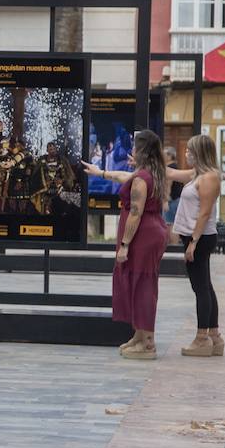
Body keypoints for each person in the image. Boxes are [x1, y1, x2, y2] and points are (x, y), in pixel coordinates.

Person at [83, 130, 169, 359]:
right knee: (138, 282)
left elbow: (135, 213)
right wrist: (100, 172)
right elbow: (124, 177)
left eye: (134, 146)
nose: (130, 149)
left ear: (141, 150)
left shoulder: (142, 179)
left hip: (143, 236)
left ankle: (148, 341)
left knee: (143, 285)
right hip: (150, 232)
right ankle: (139, 335)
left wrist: (124, 245)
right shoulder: (150, 172)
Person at [166, 135, 223, 357]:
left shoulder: (208, 178)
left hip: (200, 237)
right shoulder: (197, 174)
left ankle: (202, 339)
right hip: (194, 237)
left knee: (200, 288)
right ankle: (215, 337)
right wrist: (144, 163)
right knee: (205, 286)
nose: (186, 154)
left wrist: (193, 242)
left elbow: (204, 212)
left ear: (200, 153)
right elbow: (170, 173)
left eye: (190, 151)